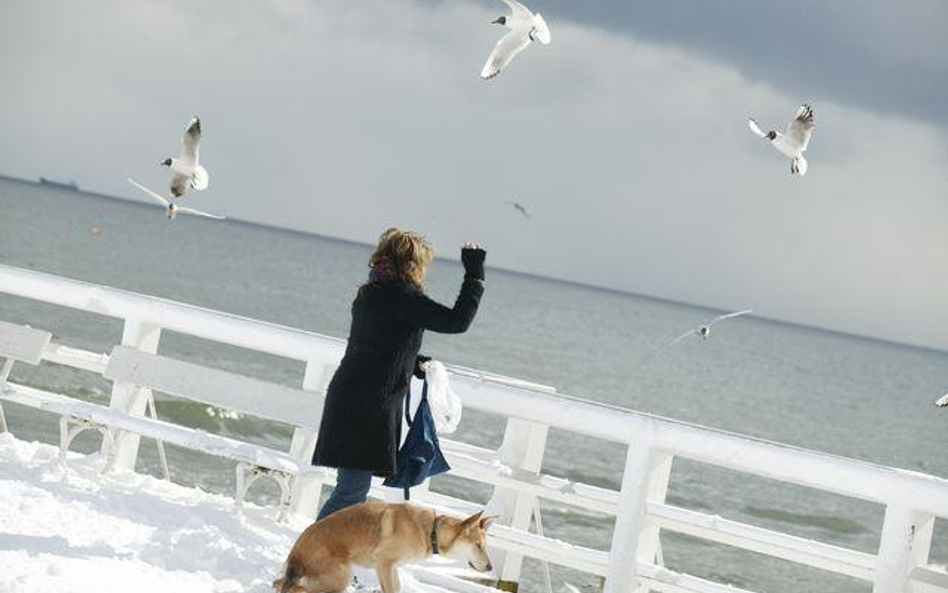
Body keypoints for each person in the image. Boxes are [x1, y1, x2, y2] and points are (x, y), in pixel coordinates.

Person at [312, 228, 486, 520]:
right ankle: (309, 560)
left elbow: (377, 344)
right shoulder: (402, 298)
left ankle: (323, 559)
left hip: (353, 395)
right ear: (413, 264)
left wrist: (411, 361)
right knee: (351, 492)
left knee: (352, 490)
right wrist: (475, 274)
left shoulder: (372, 293)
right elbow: (457, 321)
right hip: (367, 404)